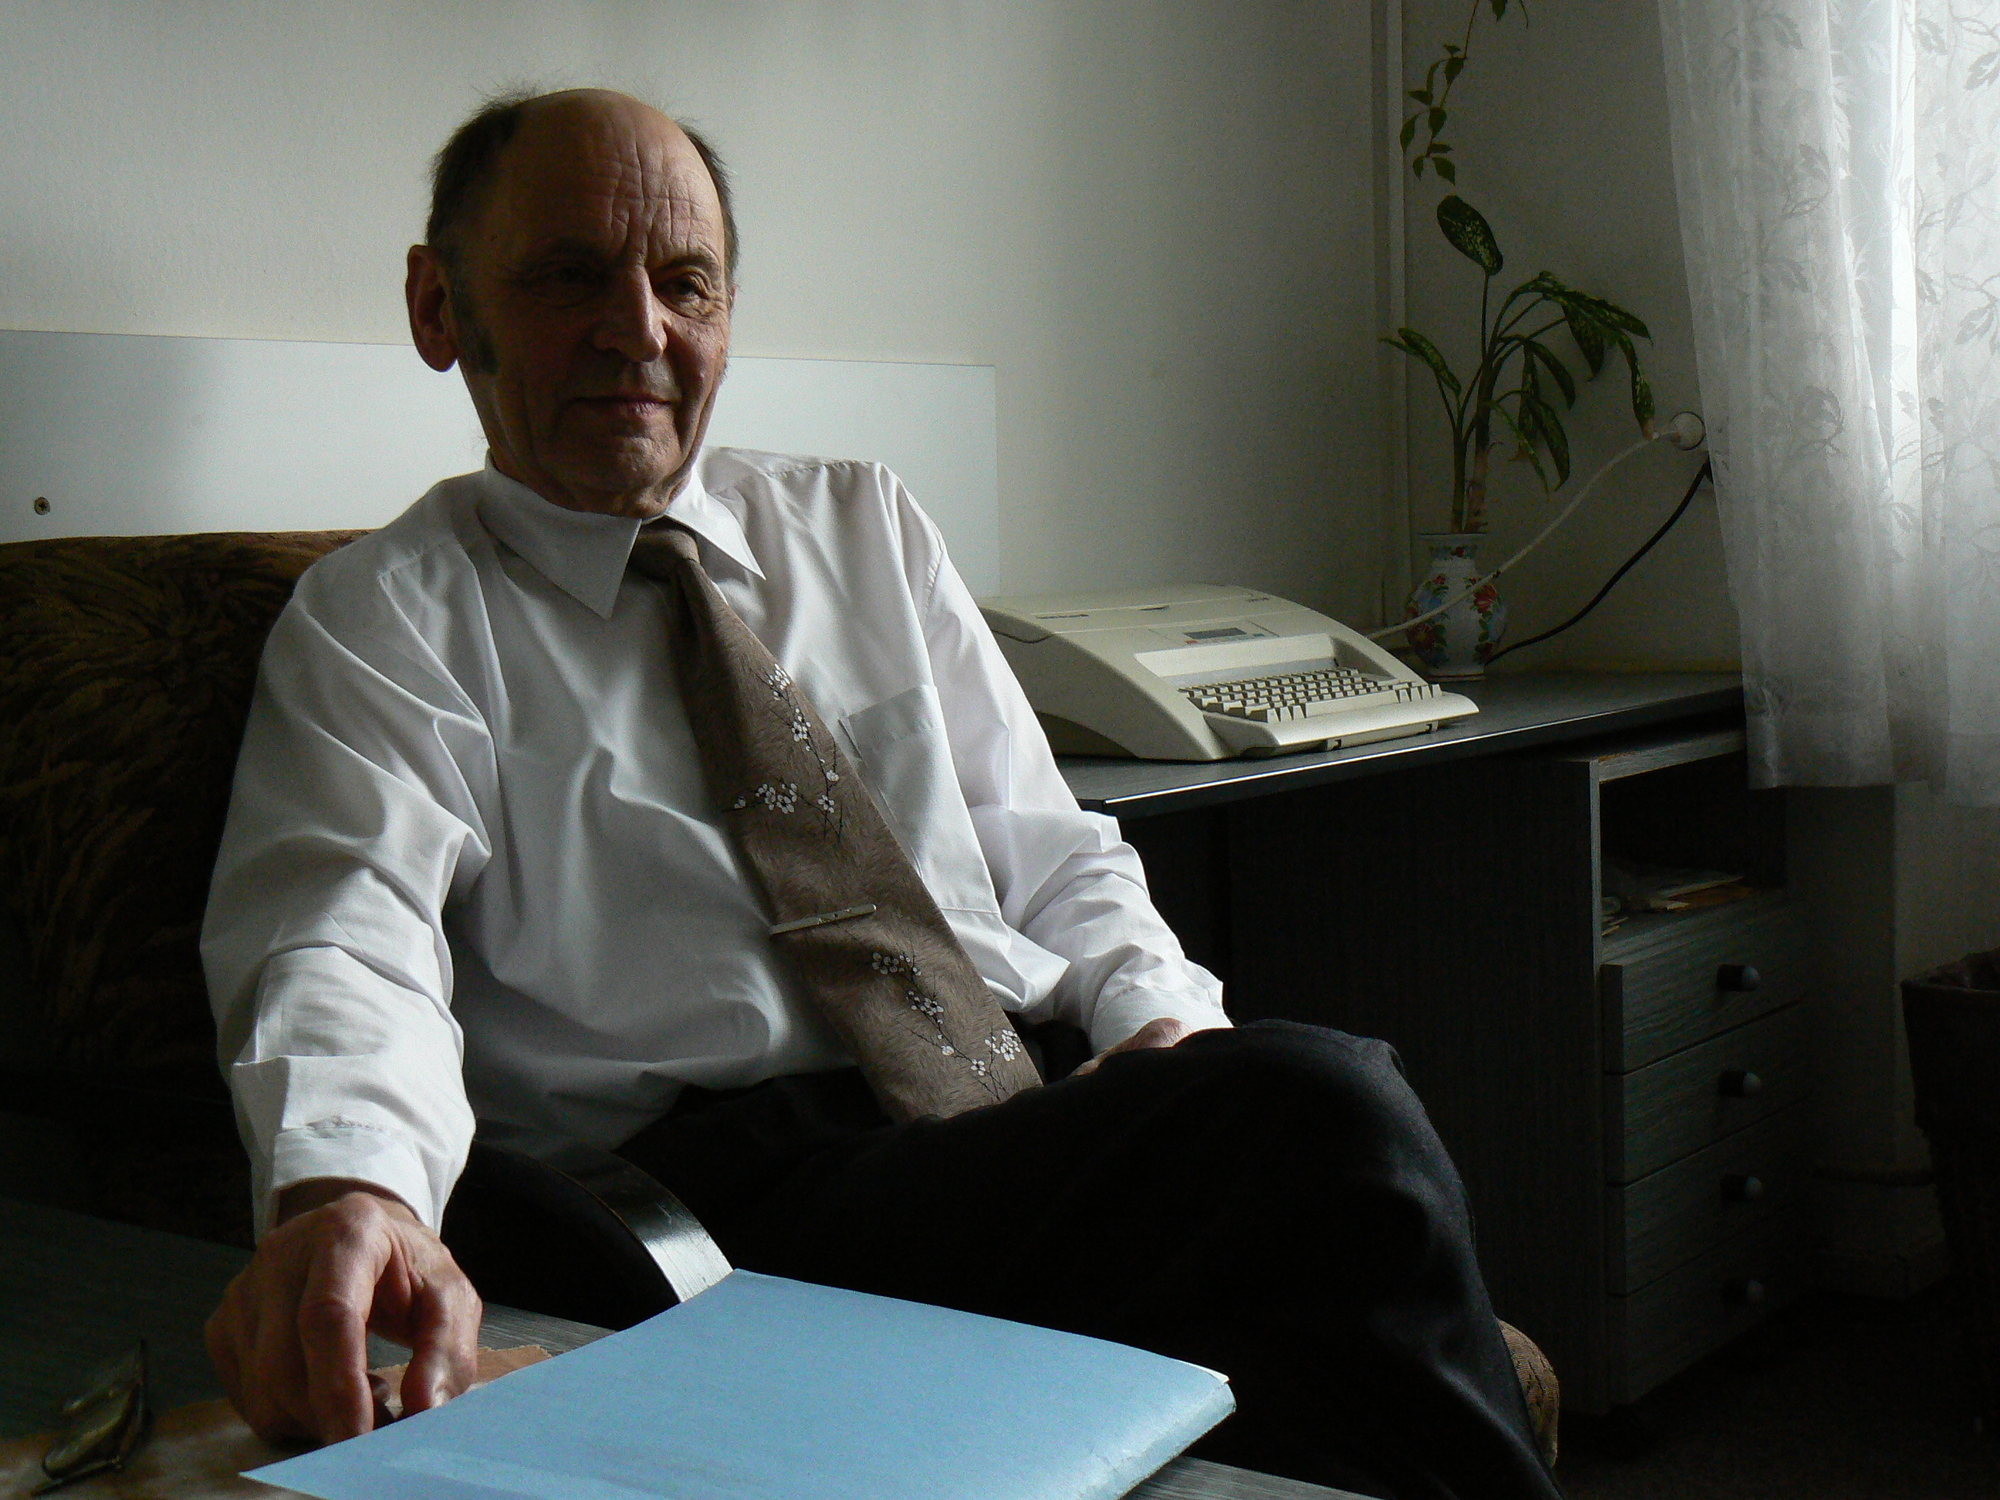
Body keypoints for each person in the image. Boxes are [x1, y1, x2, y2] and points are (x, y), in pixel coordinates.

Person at [199, 87, 1561, 1500]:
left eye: (685, 283)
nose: (638, 330)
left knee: (1296, 1267)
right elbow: (343, 932)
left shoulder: (860, 524)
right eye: (567, 276)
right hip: (732, 1209)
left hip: (1019, 1112)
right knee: (1327, 1111)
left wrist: (1162, 1036)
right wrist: (350, 1193)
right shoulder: (389, 618)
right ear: (439, 308)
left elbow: (1053, 851)